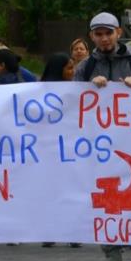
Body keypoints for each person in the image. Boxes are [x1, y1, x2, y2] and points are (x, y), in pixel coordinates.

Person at [73, 12, 131, 261]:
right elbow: (72, 103)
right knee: (108, 204)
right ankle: (112, 259)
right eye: (98, 34)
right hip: (100, 148)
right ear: (92, 37)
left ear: (118, 33)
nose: (104, 38)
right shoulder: (85, 67)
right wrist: (88, 88)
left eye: (108, 32)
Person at [40, 52, 82, 249]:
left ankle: (73, 231)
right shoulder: (39, 93)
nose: (73, 72)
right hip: (49, 151)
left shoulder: (77, 91)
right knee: (51, 191)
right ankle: (51, 230)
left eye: (73, 68)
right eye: (69, 68)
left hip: (72, 150)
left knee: (71, 191)